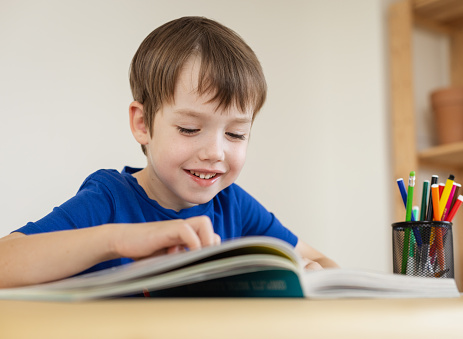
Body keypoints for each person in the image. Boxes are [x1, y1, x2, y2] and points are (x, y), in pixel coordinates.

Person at [0, 16, 338, 289]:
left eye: (236, 134)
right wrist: (117, 239)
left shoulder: (234, 206)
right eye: (190, 129)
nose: (215, 152)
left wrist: (308, 273)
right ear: (143, 123)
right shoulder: (109, 201)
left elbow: (324, 264)